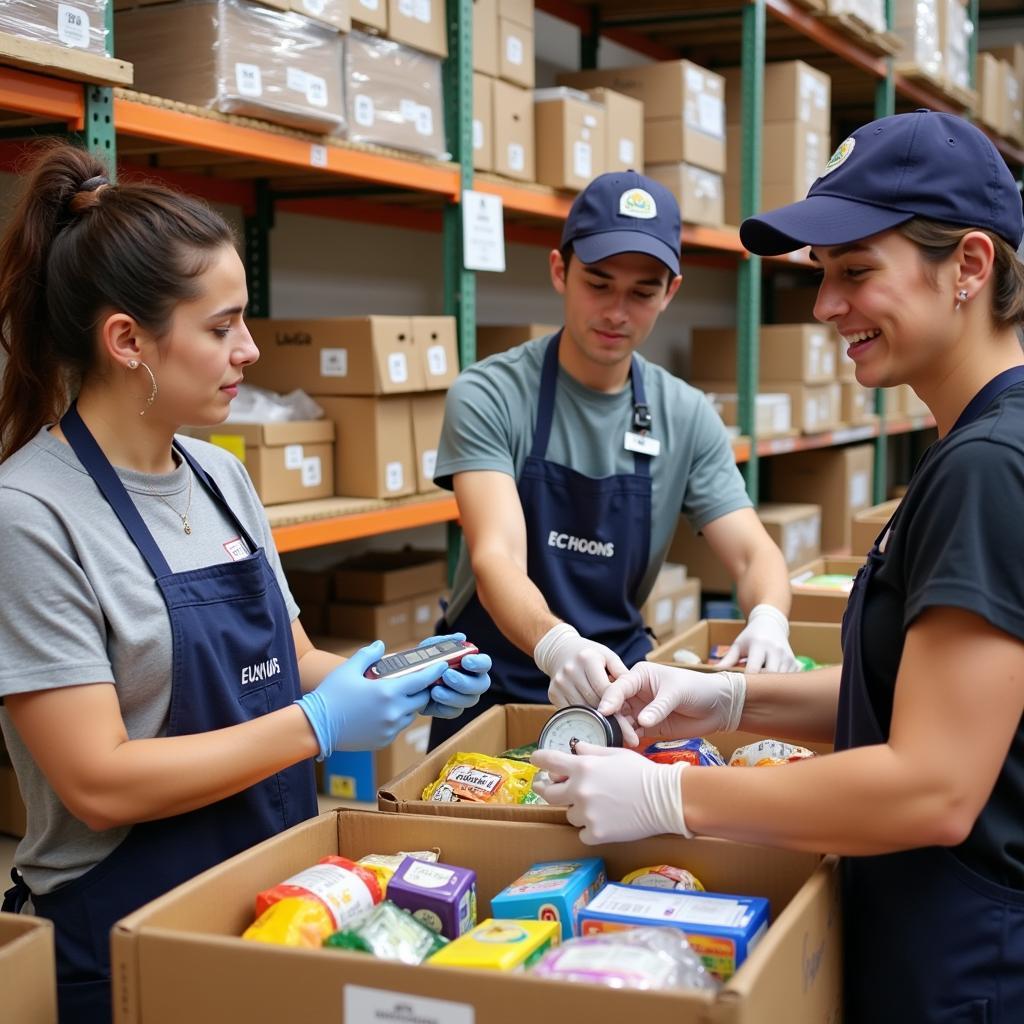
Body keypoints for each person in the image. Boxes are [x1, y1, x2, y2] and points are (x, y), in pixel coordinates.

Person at [532, 109, 1024, 1022]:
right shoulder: (979, 442)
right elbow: (908, 694)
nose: (827, 306)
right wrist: (728, 698)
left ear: (969, 265)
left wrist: (670, 793)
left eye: (856, 272)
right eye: (823, 277)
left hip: (967, 964)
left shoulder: (990, 466)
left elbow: (935, 786)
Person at [0, 143, 492, 1024]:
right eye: (221, 327)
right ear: (127, 341)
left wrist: (397, 679)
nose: (250, 350)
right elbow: (98, 781)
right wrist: (320, 726)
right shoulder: (32, 514)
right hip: (125, 927)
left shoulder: (221, 479)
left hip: (276, 892)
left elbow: (287, 658)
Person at [429, 169, 799, 749]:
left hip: (618, 693)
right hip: (490, 690)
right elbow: (495, 556)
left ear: (671, 291)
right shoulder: (490, 394)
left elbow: (755, 553)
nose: (617, 312)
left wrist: (770, 619)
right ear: (560, 271)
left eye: (642, 293)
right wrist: (557, 646)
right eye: (598, 284)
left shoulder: (685, 414)